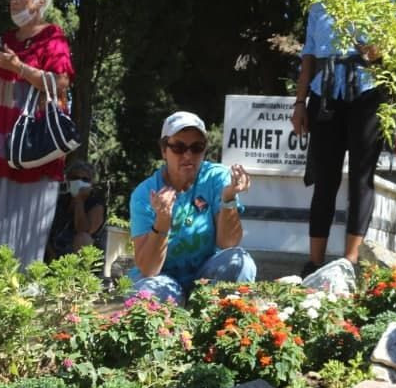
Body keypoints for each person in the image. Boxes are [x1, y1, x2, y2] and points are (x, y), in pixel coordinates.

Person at [0, 0, 75, 267]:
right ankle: (4, 295)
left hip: (35, 146)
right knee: (4, 229)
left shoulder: (53, 38)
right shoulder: (5, 40)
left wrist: (19, 68)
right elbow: (0, 94)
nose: (14, 2)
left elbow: (61, 84)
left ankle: (25, 298)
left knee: (31, 233)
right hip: (3, 142)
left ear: (40, 1)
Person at [290, 0, 386, 276]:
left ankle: (350, 261)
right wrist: (299, 102)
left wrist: (374, 49)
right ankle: (314, 263)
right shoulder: (320, 5)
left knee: (361, 178)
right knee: (324, 180)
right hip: (325, 95)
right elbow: (308, 57)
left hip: (368, 94)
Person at [129, 111, 255, 302]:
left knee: (241, 261)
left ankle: (220, 323)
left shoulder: (218, 178)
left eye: (197, 147)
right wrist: (162, 220)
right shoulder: (144, 194)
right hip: (163, 279)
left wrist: (229, 198)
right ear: (164, 150)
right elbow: (149, 269)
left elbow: (228, 244)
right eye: (179, 147)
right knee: (150, 295)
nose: (188, 155)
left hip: (208, 275)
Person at [46, 158, 107, 261]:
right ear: (68, 180)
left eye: (85, 179)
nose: (79, 181)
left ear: (91, 183)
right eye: (75, 178)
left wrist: (79, 201)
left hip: (80, 253)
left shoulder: (96, 204)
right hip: (53, 250)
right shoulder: (59, 200)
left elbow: (83, 230)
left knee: (83, 237)